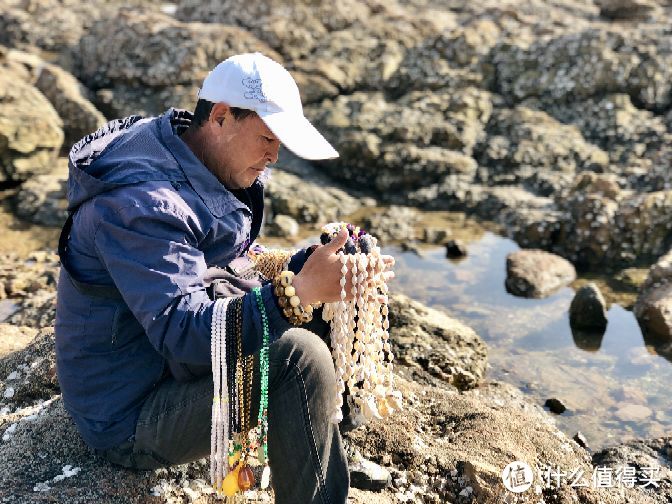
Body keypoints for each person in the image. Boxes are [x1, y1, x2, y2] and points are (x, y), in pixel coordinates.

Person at [54, 52, 394, 503]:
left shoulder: (193, 154)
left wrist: (305, 267)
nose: (274, 157)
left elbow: (223, 264)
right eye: (266, 138)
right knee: (297, 357)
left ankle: (318, 441)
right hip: (130, 413)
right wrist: (300, 289)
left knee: (322, 302)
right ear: (220, 117)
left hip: (169, 365)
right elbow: (184, 331)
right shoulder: (142, 205)